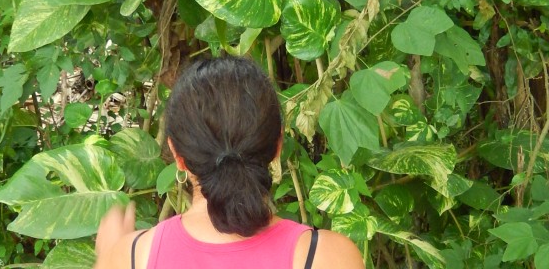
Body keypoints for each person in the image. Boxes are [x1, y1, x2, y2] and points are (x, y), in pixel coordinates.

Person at [93, 55, 365, 269]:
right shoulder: (327, 257)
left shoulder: (132, 257)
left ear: (177, 155)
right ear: (278, 145)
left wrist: (108, 258)